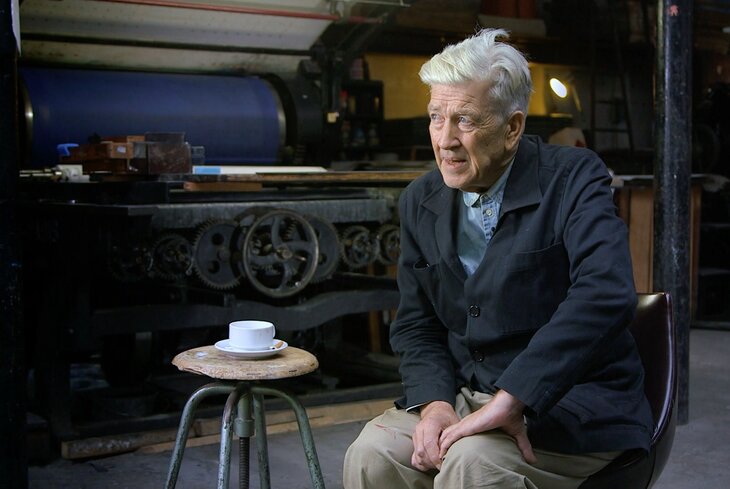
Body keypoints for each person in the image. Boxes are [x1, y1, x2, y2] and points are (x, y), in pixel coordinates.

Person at [343, 28, 653, 489]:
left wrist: (515, 397)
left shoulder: (572, 177)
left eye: (464, 120)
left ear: (512, 128)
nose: (445, 140)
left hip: (568, 399)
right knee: (372, 453)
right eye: (436, 118)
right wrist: (434, 404)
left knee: (472, 463)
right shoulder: (420, 200)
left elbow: (604, 293)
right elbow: (416, 324)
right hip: (465, 393)